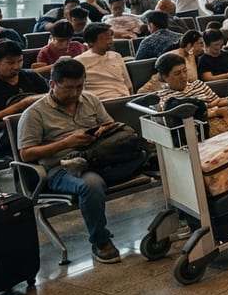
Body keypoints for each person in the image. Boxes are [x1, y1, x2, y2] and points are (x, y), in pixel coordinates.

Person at [18, 59, 146, 264]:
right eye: (68, 88)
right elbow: (26, 154)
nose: (75, 93)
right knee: (92, 185)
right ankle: (100, 241)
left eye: (79, 86)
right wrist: (66, 142)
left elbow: (109, 125)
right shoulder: (34, 113)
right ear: (52, 84)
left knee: (149, 158)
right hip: (62, 167)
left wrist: (103, 130)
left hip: (98, 157)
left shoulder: (90, 100)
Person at [0, 41, 48, 160]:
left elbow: (51, 97)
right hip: (2, 133)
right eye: (10, 63)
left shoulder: (32, 76)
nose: (16, 66)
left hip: (38, 125)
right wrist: (20, 105)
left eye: (20, 61)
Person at [153, 53, 228, 118]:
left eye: (185, 71)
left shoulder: (198, 84)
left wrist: (208, 107)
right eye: (177, 74)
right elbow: (177, 118)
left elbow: (223, 102)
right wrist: (211, 107)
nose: (183, 76)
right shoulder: (163, 96)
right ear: (165, 77)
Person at [75, 24, 133, 99]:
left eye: (110, 36)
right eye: (105, 38)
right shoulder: (79, 61)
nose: (110, 40)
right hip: (101, 102)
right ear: (91, 42)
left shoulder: (116, 56)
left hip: (124, 99)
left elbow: (129, 85)